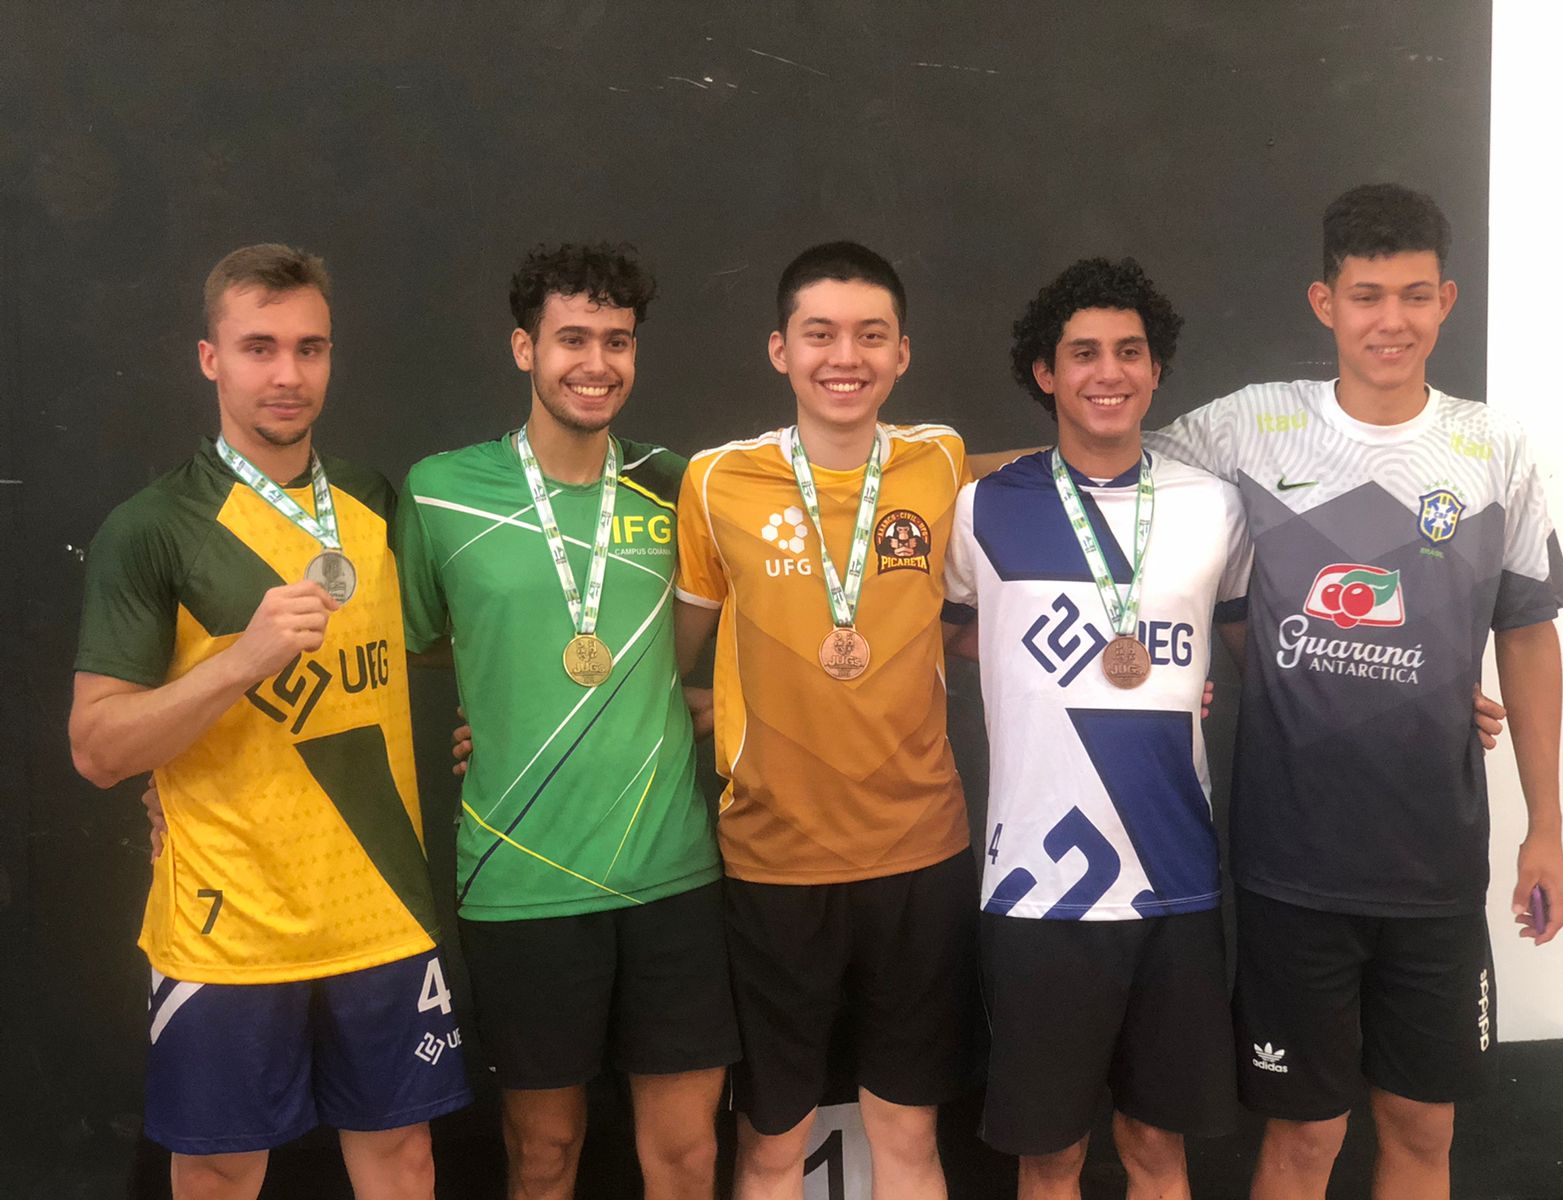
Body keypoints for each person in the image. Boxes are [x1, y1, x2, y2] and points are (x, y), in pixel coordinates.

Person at [1147, 183, 1563, 1200]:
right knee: (1304, 1139)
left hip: (1435, 870)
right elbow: (1107, 471)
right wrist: (927, 471)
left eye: (1415, 296)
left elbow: (1525, 633)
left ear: (1446, 301)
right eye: (1367, 296)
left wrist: (1547, 827)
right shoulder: (1251, 427)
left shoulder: (1494, 448)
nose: (1392, 321)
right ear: (1324, 302)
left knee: (1424, 1130)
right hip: (1293, 868)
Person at [68, 244, 469, 1200]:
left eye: (308, 348)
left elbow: (454, 643)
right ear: (211, 359)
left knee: (406, 1163)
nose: (287, 374)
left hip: (381, 908)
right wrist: (241, 662)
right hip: (231, 926)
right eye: (259, 348)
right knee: (218, 1172)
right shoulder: (153, 528)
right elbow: (97, 748)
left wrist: (489, 726)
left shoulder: (376, 501)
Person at [394, 243, 738, 1200]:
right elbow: (417, 639)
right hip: (520, 881)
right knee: (543, 1154)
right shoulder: (438, 491)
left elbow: (782, 604)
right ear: (525, 349)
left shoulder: (681, 486)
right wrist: (507, 693)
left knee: (687, 1155)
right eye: (572, 339)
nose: (596, 363)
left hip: (673, 872)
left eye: (616, 341)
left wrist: (710, 705)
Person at [673, 242, 977, 1200]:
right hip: (774, 859)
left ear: (902, 354)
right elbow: (673, 659)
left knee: (908, 1135)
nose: (845, 357)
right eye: (820, 334)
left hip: (918, 849)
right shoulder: (716, 482)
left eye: (870, 336)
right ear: (780, 350)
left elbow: (1038, 492)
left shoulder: (940, 461)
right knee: (773, 1142)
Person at [942, 257, 1250, 1200]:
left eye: (1129, 352)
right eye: (1083, 353)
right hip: (1038, 885)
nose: (1108, 372)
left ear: (1156, 371)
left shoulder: (1213, 507)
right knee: (1052, 1159)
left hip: (1175, 878)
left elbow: (1265, 652)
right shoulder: (983, 506)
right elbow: (940, 639)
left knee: (1159, 1151)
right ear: (1045, 372)